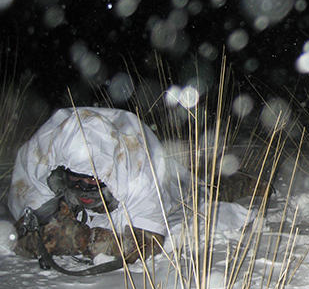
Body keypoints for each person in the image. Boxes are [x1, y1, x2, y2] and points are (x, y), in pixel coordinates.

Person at [8, 107, 184, 273]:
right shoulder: (41, 163)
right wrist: (48, 235)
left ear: (109, 175)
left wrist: (85, 239)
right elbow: (19, 236)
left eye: (92, 180)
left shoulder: (139, 172)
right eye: (76, 179)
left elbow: (148, 242)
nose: (84, 189)